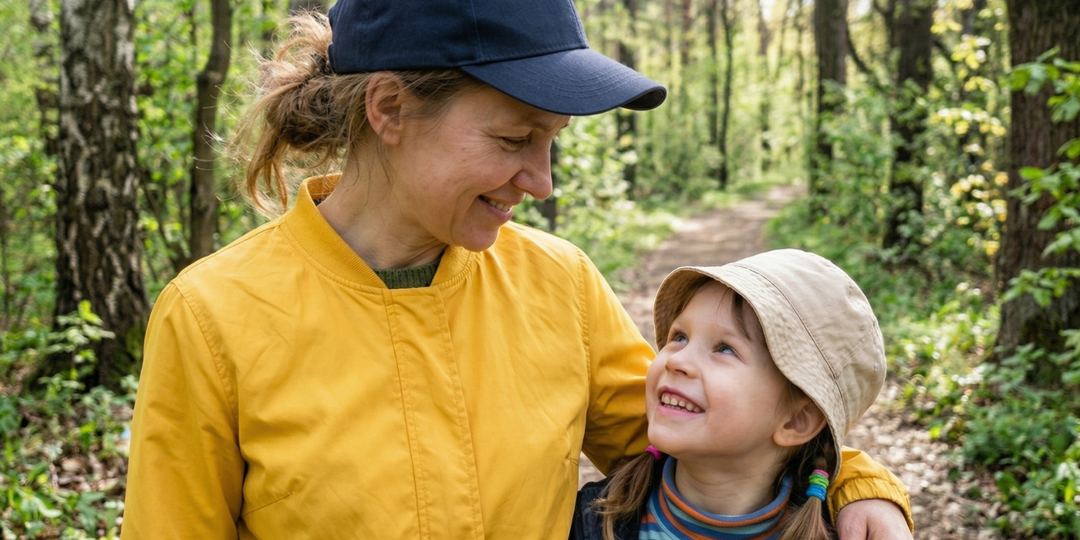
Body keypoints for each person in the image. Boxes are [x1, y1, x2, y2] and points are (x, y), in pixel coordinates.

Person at [120, 1, 913, 538]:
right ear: (389, 109)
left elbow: (704, 434)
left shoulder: (556, 282)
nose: (542, 181)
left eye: (552, 142)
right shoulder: (213, 316)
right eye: (512, 140)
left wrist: (850, 483)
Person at [570, 249, 913, 540]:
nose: (677, 360)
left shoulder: (837, 529)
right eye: (680, 336)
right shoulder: (594, 521)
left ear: (797, 419)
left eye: (725, 349)